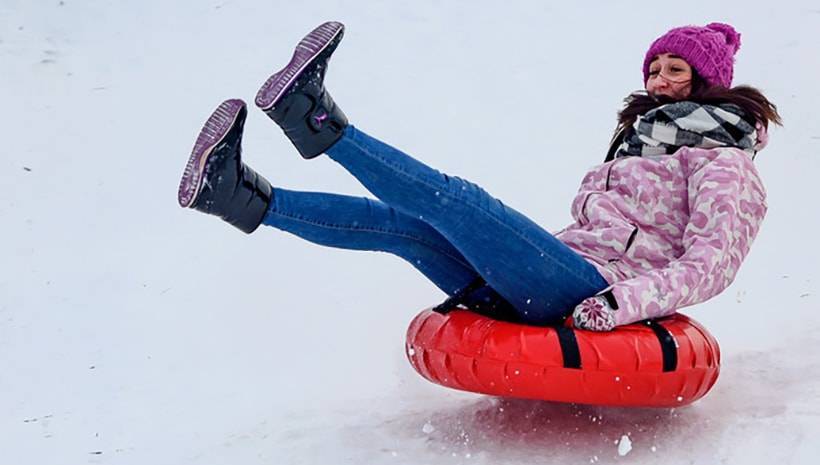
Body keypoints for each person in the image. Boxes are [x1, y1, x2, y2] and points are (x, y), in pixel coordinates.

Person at [177, 21, 781, 331]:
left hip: (592, 291)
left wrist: (618, 304)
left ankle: (315, 121)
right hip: (560, 271)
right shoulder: (636, 149)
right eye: (655, 68)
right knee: (406, 225)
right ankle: (237, 195)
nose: (659, 80)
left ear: (709, 82)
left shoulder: (726, 164)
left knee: (461, 202)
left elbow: (710, 266)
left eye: (676, 70)